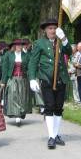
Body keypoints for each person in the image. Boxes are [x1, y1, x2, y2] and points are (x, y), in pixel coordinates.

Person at [28, 18, 73, 149]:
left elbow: (69, 51)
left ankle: (56, 134)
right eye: (50, 28)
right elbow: (33, 62)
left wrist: (64, 39)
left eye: (55, 28)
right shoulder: (39, 43)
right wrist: (32, 78)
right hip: (46, 79)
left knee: (58, 107)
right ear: (45, 30)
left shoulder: (61, 42)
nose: (53, 30)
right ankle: (51, 136)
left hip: (61, 79)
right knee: (50, 106)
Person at [0, 39, 32, 126]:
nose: (19, 47)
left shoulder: (26, 56)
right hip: (12, 79)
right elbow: (5, 69)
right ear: (14, 46)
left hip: (23, 79)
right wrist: (3, 81)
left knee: (22, 97)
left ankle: (20, 113)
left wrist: (31, 78)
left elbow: (30, 68)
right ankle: (17, 115)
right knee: (14, 96)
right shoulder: (8, 55)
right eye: (17, 45)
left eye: (20, 45)